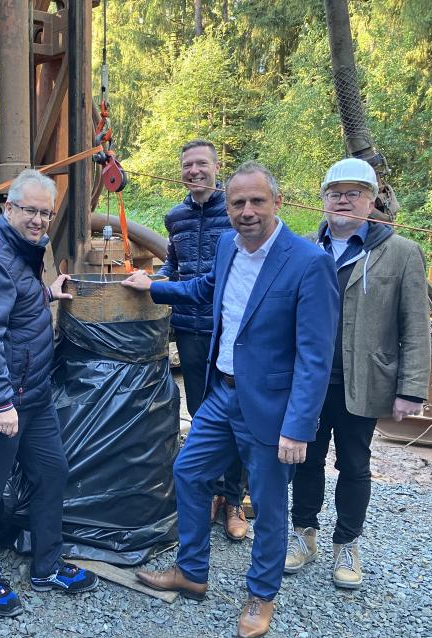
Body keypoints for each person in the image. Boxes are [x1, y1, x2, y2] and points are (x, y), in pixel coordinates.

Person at [123, 161, 339, 638]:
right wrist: (154, 288)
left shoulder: (308, 262)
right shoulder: (226, 246)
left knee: (267, 502)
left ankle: (261, 597)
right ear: (228, 206)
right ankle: (192, 573)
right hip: (223, 394)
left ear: (276, 203)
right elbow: (206, 289)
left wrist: (299, 425)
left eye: (256, 201)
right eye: (237, 202)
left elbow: (316, 355)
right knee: (188, 471)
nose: (246, 211)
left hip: (271, 407)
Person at [0, 169, 98, 618]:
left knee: (52, 472)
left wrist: (45, 294)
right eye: (30, 210)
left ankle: (46, 566)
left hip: (31, 396)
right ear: (8, 209)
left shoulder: (23, 254)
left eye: (45, 213)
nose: (38, 220)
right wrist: (0, 402)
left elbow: (13, 307)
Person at [285, 158, 429, 589]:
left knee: (355, 464)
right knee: (304, 460)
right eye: (335, 193)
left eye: (354, 193)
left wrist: (412, 390)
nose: (343, 200)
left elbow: (415, 326)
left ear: (371, 201)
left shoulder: (401, 253)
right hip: (309, 382)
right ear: (323, 199)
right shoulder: (304, 249)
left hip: (363, 381)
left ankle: (346, 543)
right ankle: (303, 534)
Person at [158, 139, 248, 541]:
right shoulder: (174, 217)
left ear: (217, 167)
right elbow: (172, 265)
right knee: (201, 414)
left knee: (237, 416)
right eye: (188, 165)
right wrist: (155, 281)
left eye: (201, 164)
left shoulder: (235, 215)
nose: (194, 171)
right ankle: (212, 493)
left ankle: (234, 501)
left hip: (229, 331)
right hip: (191, 329)